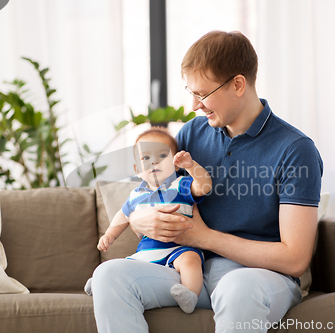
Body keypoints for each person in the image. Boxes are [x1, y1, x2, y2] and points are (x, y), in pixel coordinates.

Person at [91, 30, 323, 332]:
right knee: (109, 275)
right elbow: (153, 195)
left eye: (202, 93)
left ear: (238, 84)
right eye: (190, 92)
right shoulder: (191, 135)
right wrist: (139, 219)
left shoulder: (295, 149)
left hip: (257, 276)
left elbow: (295, 259)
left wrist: (202, 237)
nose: (194, 105)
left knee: (237, 286)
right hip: (190, 269)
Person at [86, 127, 212, 314]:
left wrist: (191, 166)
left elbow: (204, 186)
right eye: (146, 158)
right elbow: (123, 215)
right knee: (119, 267)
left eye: (162, 155)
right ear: (137, 169)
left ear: (175, 165)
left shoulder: (181, 185)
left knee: (191, 261)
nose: (154, 161)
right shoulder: (136, 195)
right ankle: (99, 282)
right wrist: (109, 235)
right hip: (146, 253)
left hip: (180, 249)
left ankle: (190, 294)